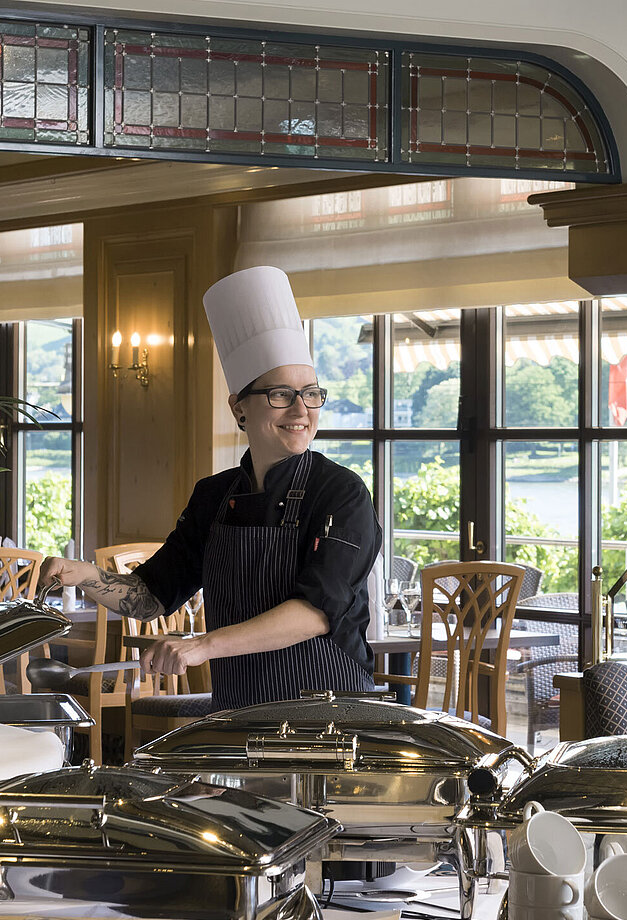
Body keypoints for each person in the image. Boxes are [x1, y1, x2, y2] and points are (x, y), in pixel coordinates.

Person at [42, 265, 379, 709]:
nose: (301, 409)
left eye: (311, 393)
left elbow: (315, 613)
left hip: (326, 714)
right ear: (238, 408)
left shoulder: (342, 492)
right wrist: (84, 575)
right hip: (237, 714)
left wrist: (202, 645)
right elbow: (150, 597)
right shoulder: (214, 496)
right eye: (281, 394)